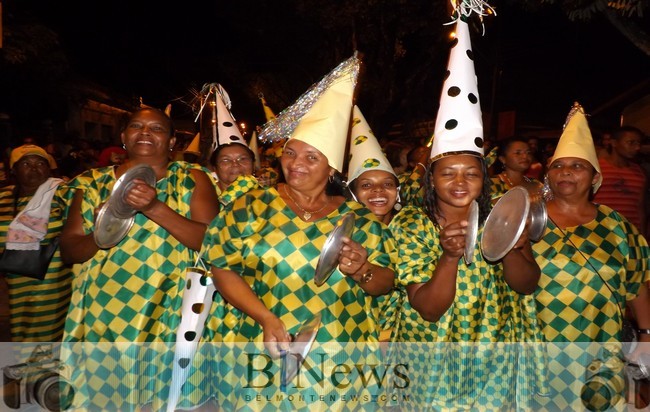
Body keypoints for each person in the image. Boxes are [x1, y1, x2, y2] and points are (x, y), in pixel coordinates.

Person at [203, 55, 395, 410]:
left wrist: (361, 270)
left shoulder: (360, 218)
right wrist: (265, 317)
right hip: (261, 340)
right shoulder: (252, 206)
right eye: (290, 153)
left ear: (332, 166)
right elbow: (221, 266)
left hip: (340, 349)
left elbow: (385, 282)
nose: (296, 164)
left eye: (311, 157)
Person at [387, 15, 545, 409]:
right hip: (432, 358)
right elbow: (427, 308)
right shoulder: (411, 224)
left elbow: (527, 285)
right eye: (448, 173)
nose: (460, 182)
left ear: (484, 179)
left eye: (470, 174)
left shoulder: (503, 214)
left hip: (494, 350)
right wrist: (449, 256)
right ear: (430, 180)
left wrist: (510, 244)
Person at [58, 107, 219, 411]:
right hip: (104, 310)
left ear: (172, 140)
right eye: (136, 126)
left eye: (157, 128)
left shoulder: (192, 179)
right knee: (106, 395)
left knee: (162, 395)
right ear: (123, 136)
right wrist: (103, 228)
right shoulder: (91, 182)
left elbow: (212, 243)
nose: (145, 133)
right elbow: (69, 251)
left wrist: (154, 206)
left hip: (170, 307)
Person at [531, 104, 650, 411]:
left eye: (577, 166)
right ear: (547, 175)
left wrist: (646, 336)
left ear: (595, 177)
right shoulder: (527, 219)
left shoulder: (617, 225)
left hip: (601, 348)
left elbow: (635, 283)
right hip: (536, 348)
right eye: (558, 166)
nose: (566, 172)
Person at [0, 144, 72, 342]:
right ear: (13, 169)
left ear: (49, 168)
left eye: (40, 163)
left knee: (55, 332)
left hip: (55, 282)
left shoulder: (62, 193)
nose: (34, 168)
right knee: (23, 330)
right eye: (26, 163)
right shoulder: (4, 197)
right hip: (18, 283)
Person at [593, 125, 647, 237]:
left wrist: (643, 236)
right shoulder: (596, 168)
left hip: (630, 234)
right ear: (614, 143)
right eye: (631, 142)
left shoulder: (640, 172)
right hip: (601, 232)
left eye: (638, 143)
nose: (637, 148)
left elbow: (640, 207)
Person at [490, 136, 537, 200]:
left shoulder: (536, 184)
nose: (525, 156)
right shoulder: (492, 184)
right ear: (503, 159)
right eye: (518, 153)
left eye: (528, 153)